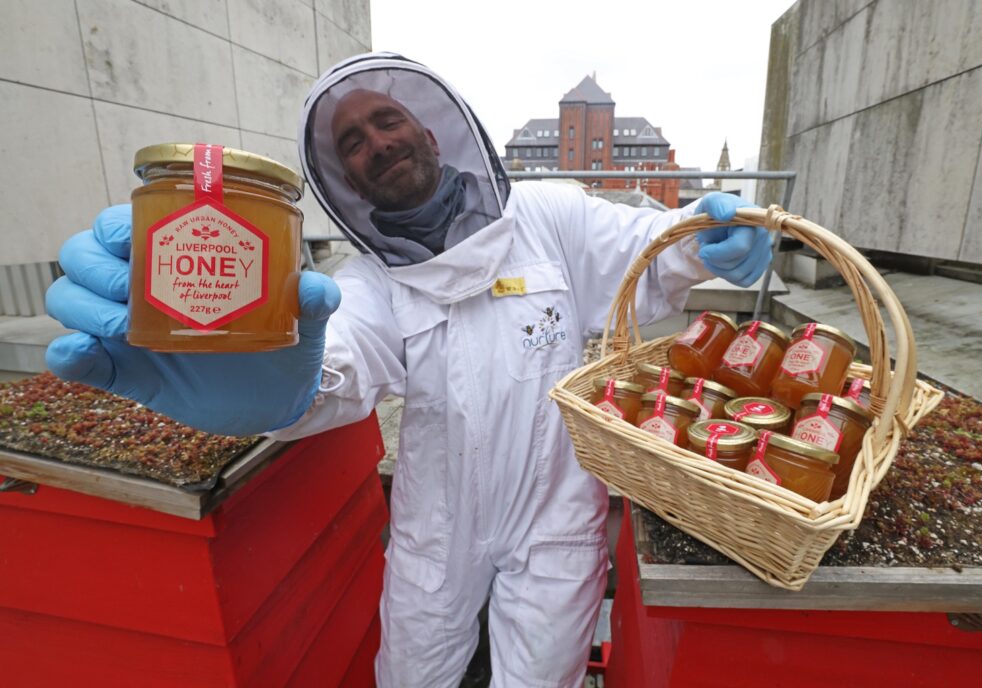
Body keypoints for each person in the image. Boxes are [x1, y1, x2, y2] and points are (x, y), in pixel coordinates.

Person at [46, 53, 772, 687]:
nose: (375, 144)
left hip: (552, 516)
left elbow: (649, 244)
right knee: (410, 673)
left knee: (543, 678)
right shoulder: (368, 282)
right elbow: (340, 358)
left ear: (431, 130)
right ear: (347, 180)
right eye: (352, 143)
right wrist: (275, 387)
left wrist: (705, 242)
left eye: (386, 120)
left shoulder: (546, 216)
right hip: (438, 521)